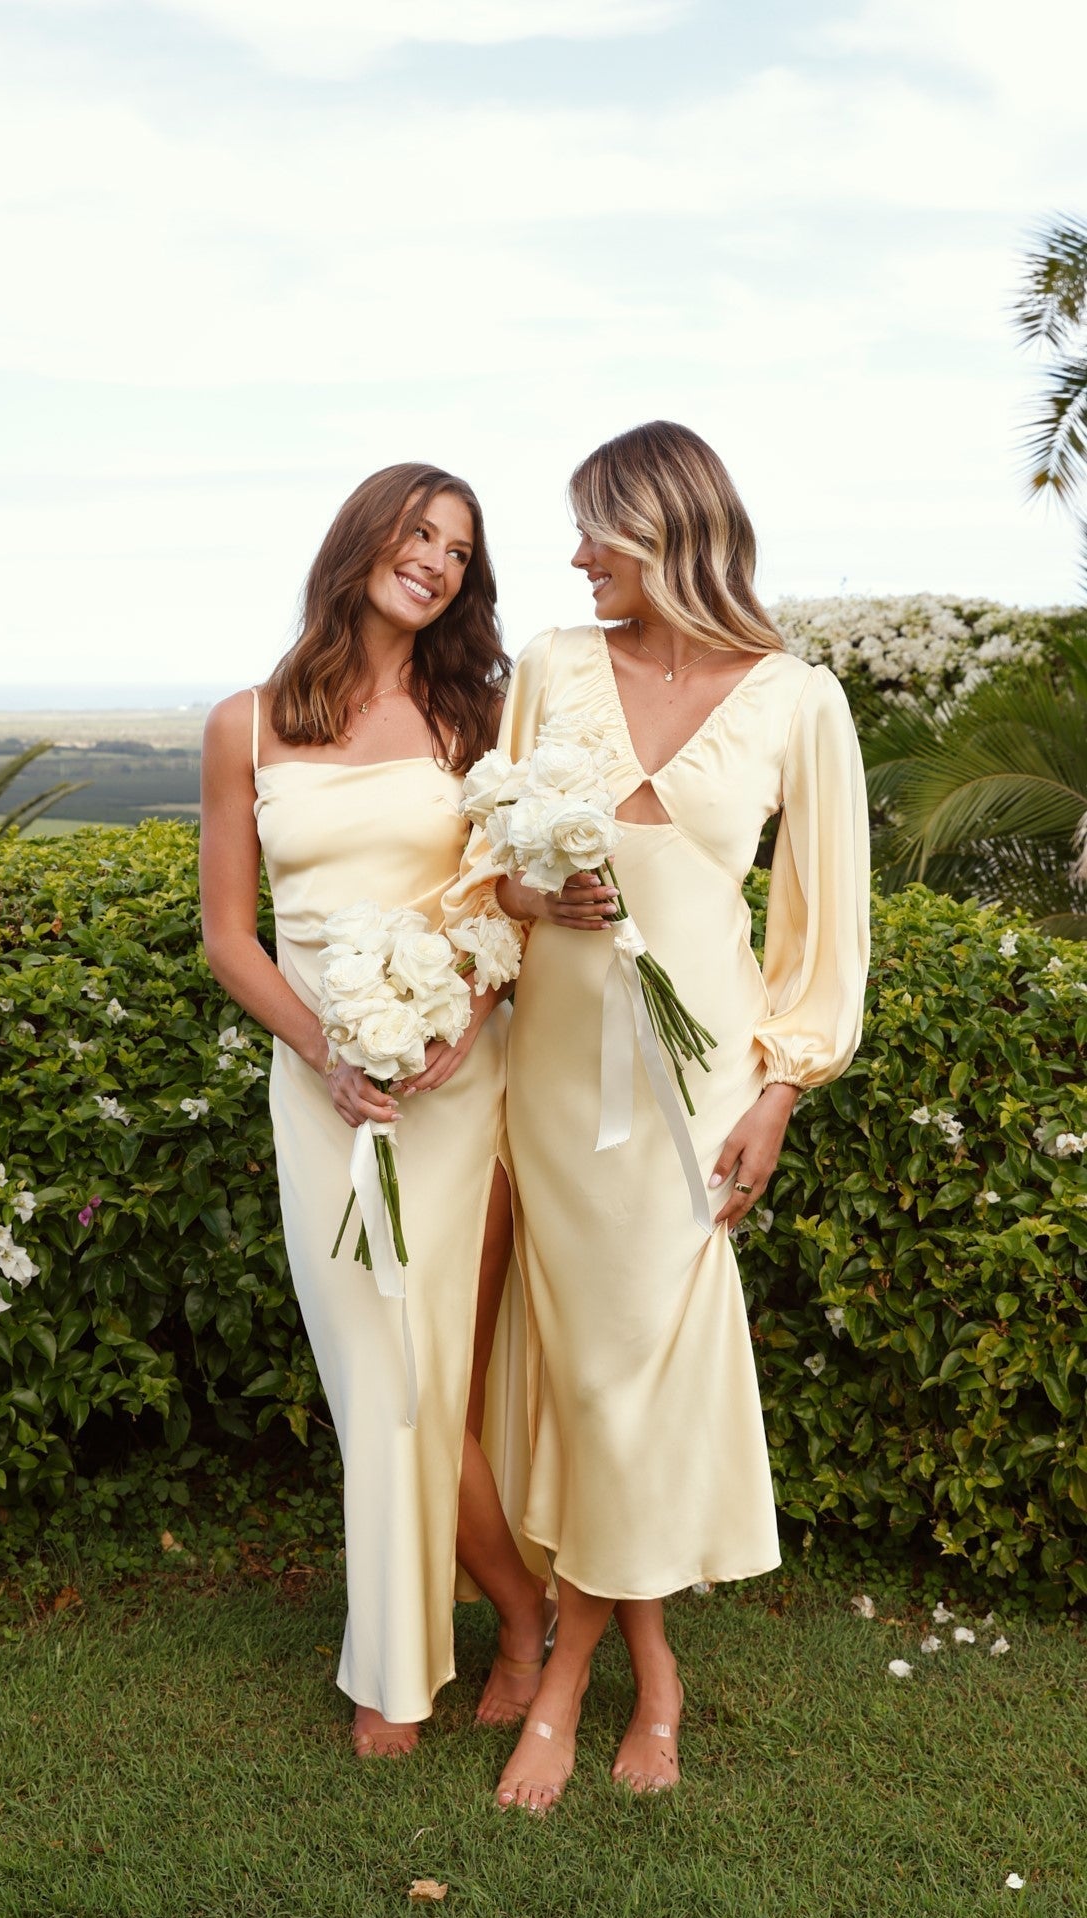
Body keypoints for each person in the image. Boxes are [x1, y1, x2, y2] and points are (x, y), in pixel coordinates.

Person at [447, 420, 870, 1812]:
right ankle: (650, 1670)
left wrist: (781, 1092)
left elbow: (822, 931)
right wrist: (530, 895)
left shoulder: (798, 699)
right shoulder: (560, 670)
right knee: (585, 1371)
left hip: (694, 1090)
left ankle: (570, 1678)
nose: (572, 558)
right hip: (554, 1074)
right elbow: (481, 868)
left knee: (631, 1365)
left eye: (595, 532)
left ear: (669, 530)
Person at [199, 464, 548, 1760]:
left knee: (421, 1384)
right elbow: (231, 937)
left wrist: (453, 1025)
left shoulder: (476, 720)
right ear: (363, 542)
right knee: (372, 1383)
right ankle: (504, 1621)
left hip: (454, 1087)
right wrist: (324, 1052)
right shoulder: (244, 724)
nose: (440, 560)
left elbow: (501, 902)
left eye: (460, 549)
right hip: (319, 1093)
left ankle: (437, 1657)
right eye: (420, 533)